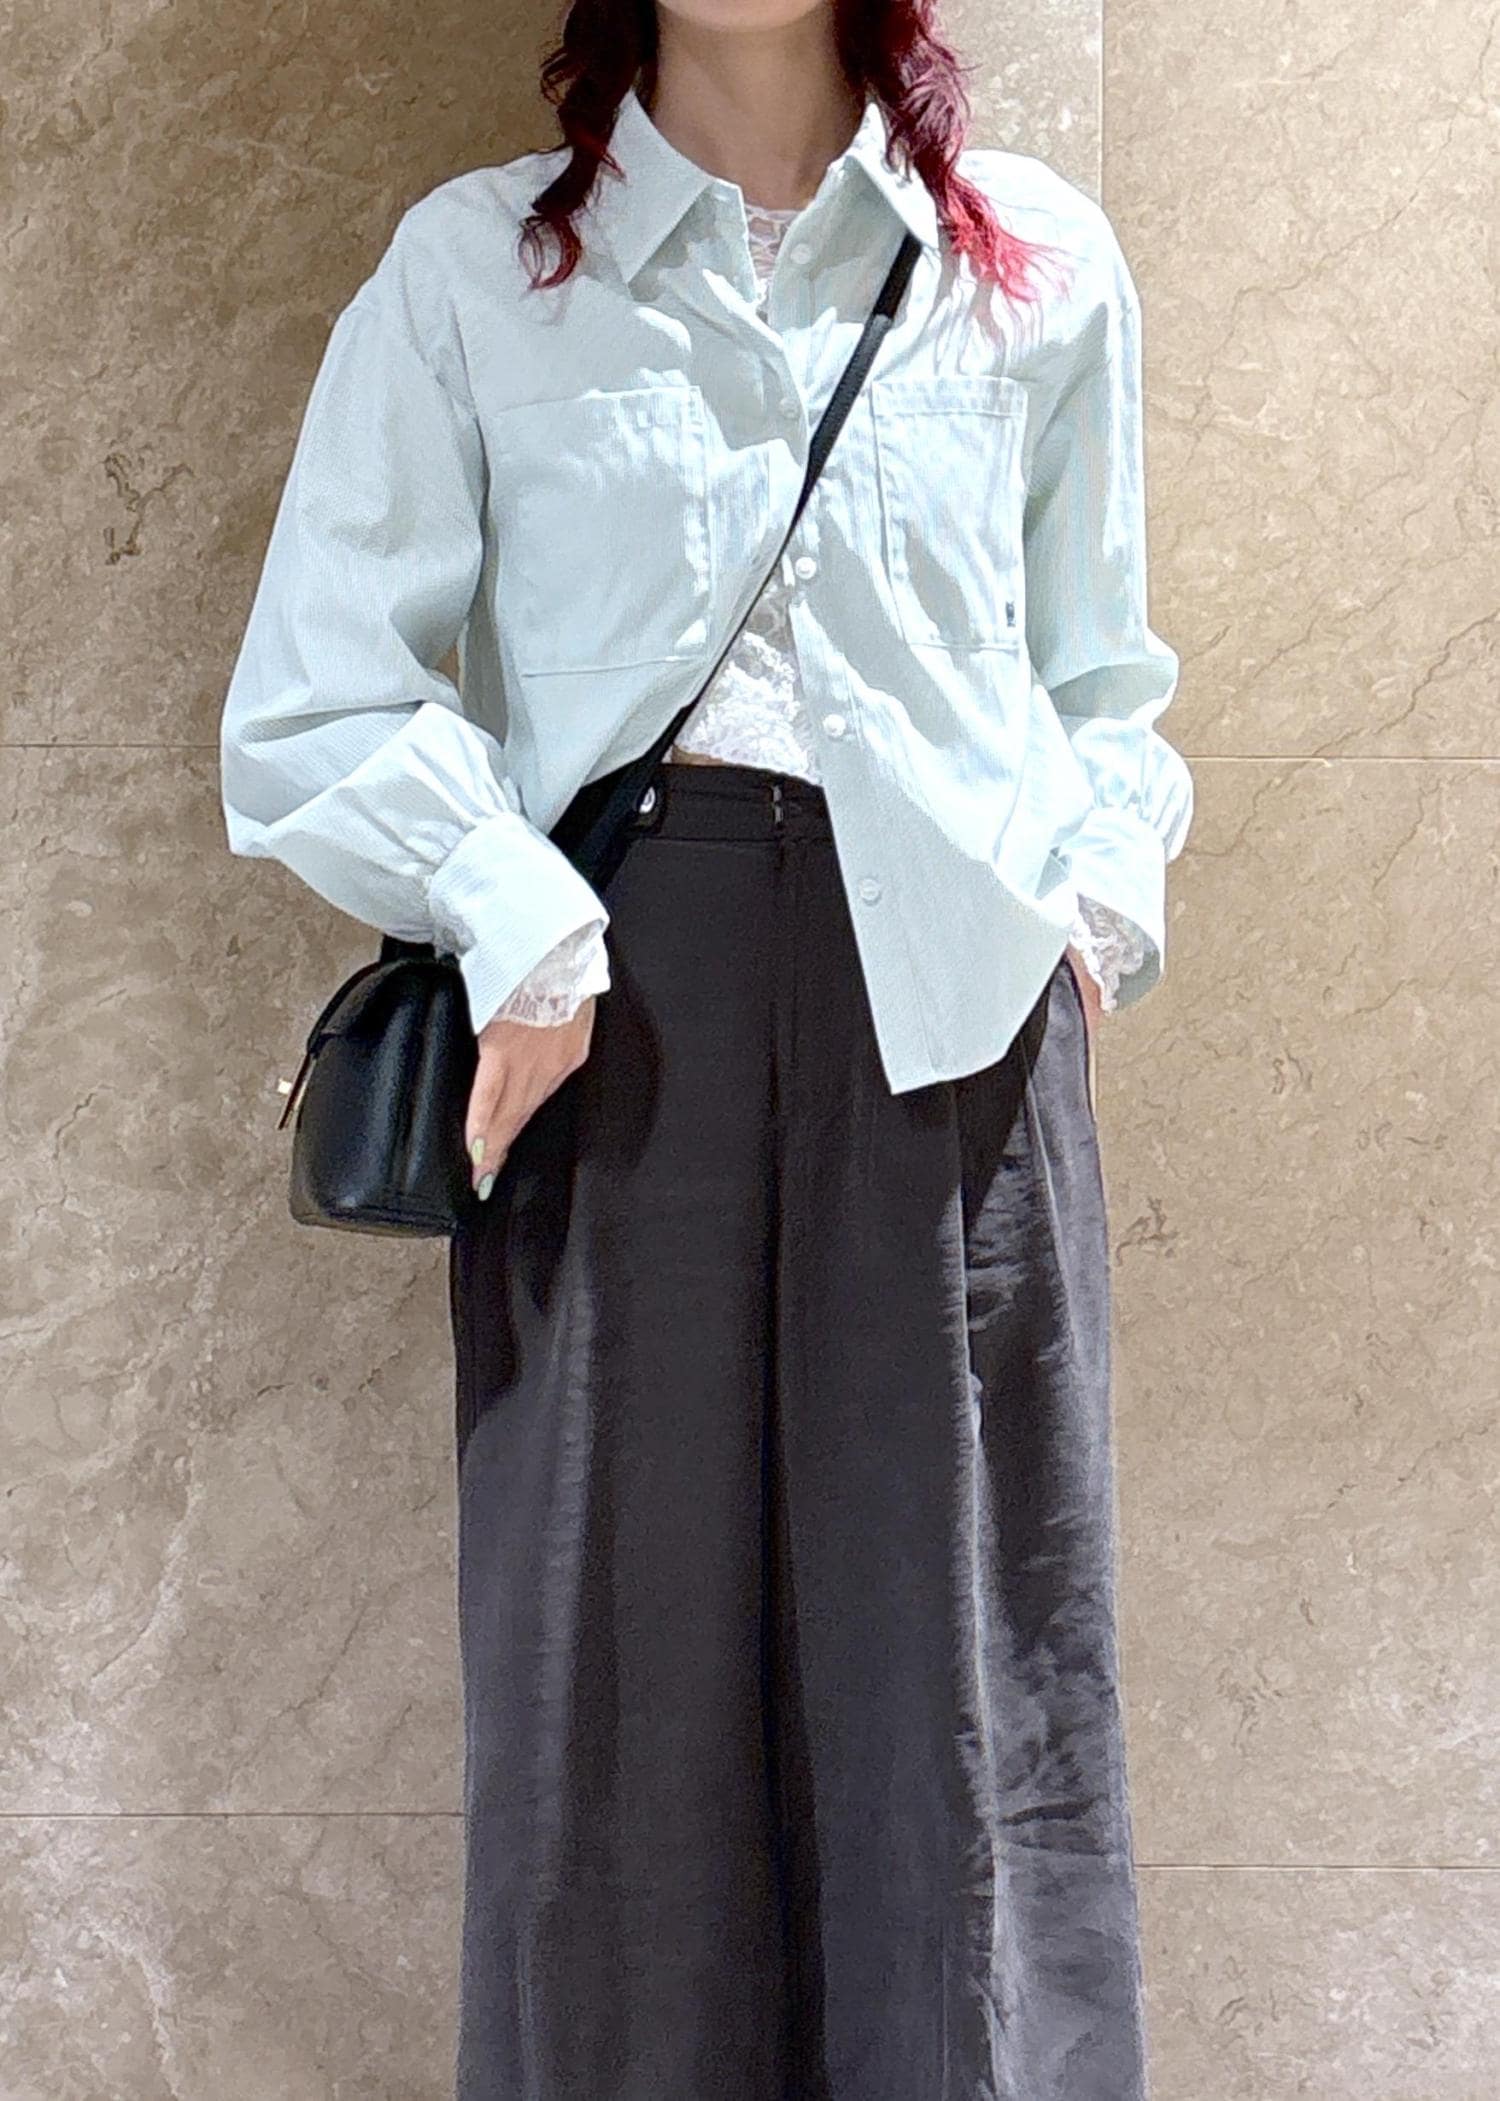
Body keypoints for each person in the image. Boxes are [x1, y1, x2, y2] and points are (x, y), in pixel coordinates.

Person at [219, 4, 1193, 2096]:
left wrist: (1087, 906)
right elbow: (313, 697)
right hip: (615, 1031)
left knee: (955, 1693)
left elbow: (1103, 681)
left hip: (949, 1032)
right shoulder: (479, 270)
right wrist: (515, 916)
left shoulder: (1027, 264)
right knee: (613, 1699)